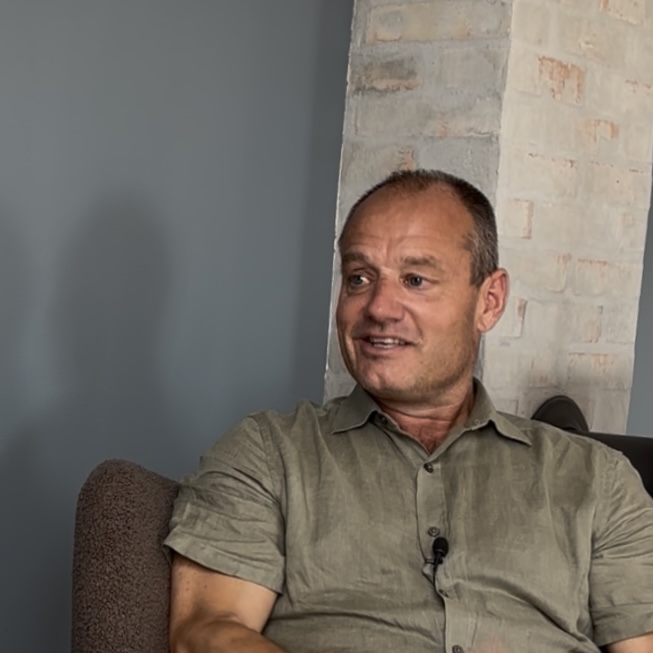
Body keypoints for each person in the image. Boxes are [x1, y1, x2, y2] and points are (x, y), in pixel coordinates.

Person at [164, 169, 653, 653]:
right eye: (359, 278)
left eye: (415, 280)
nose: (379, 307)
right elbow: (208, 631)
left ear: (489, 301)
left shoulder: (598, 479)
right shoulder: (268, 453)